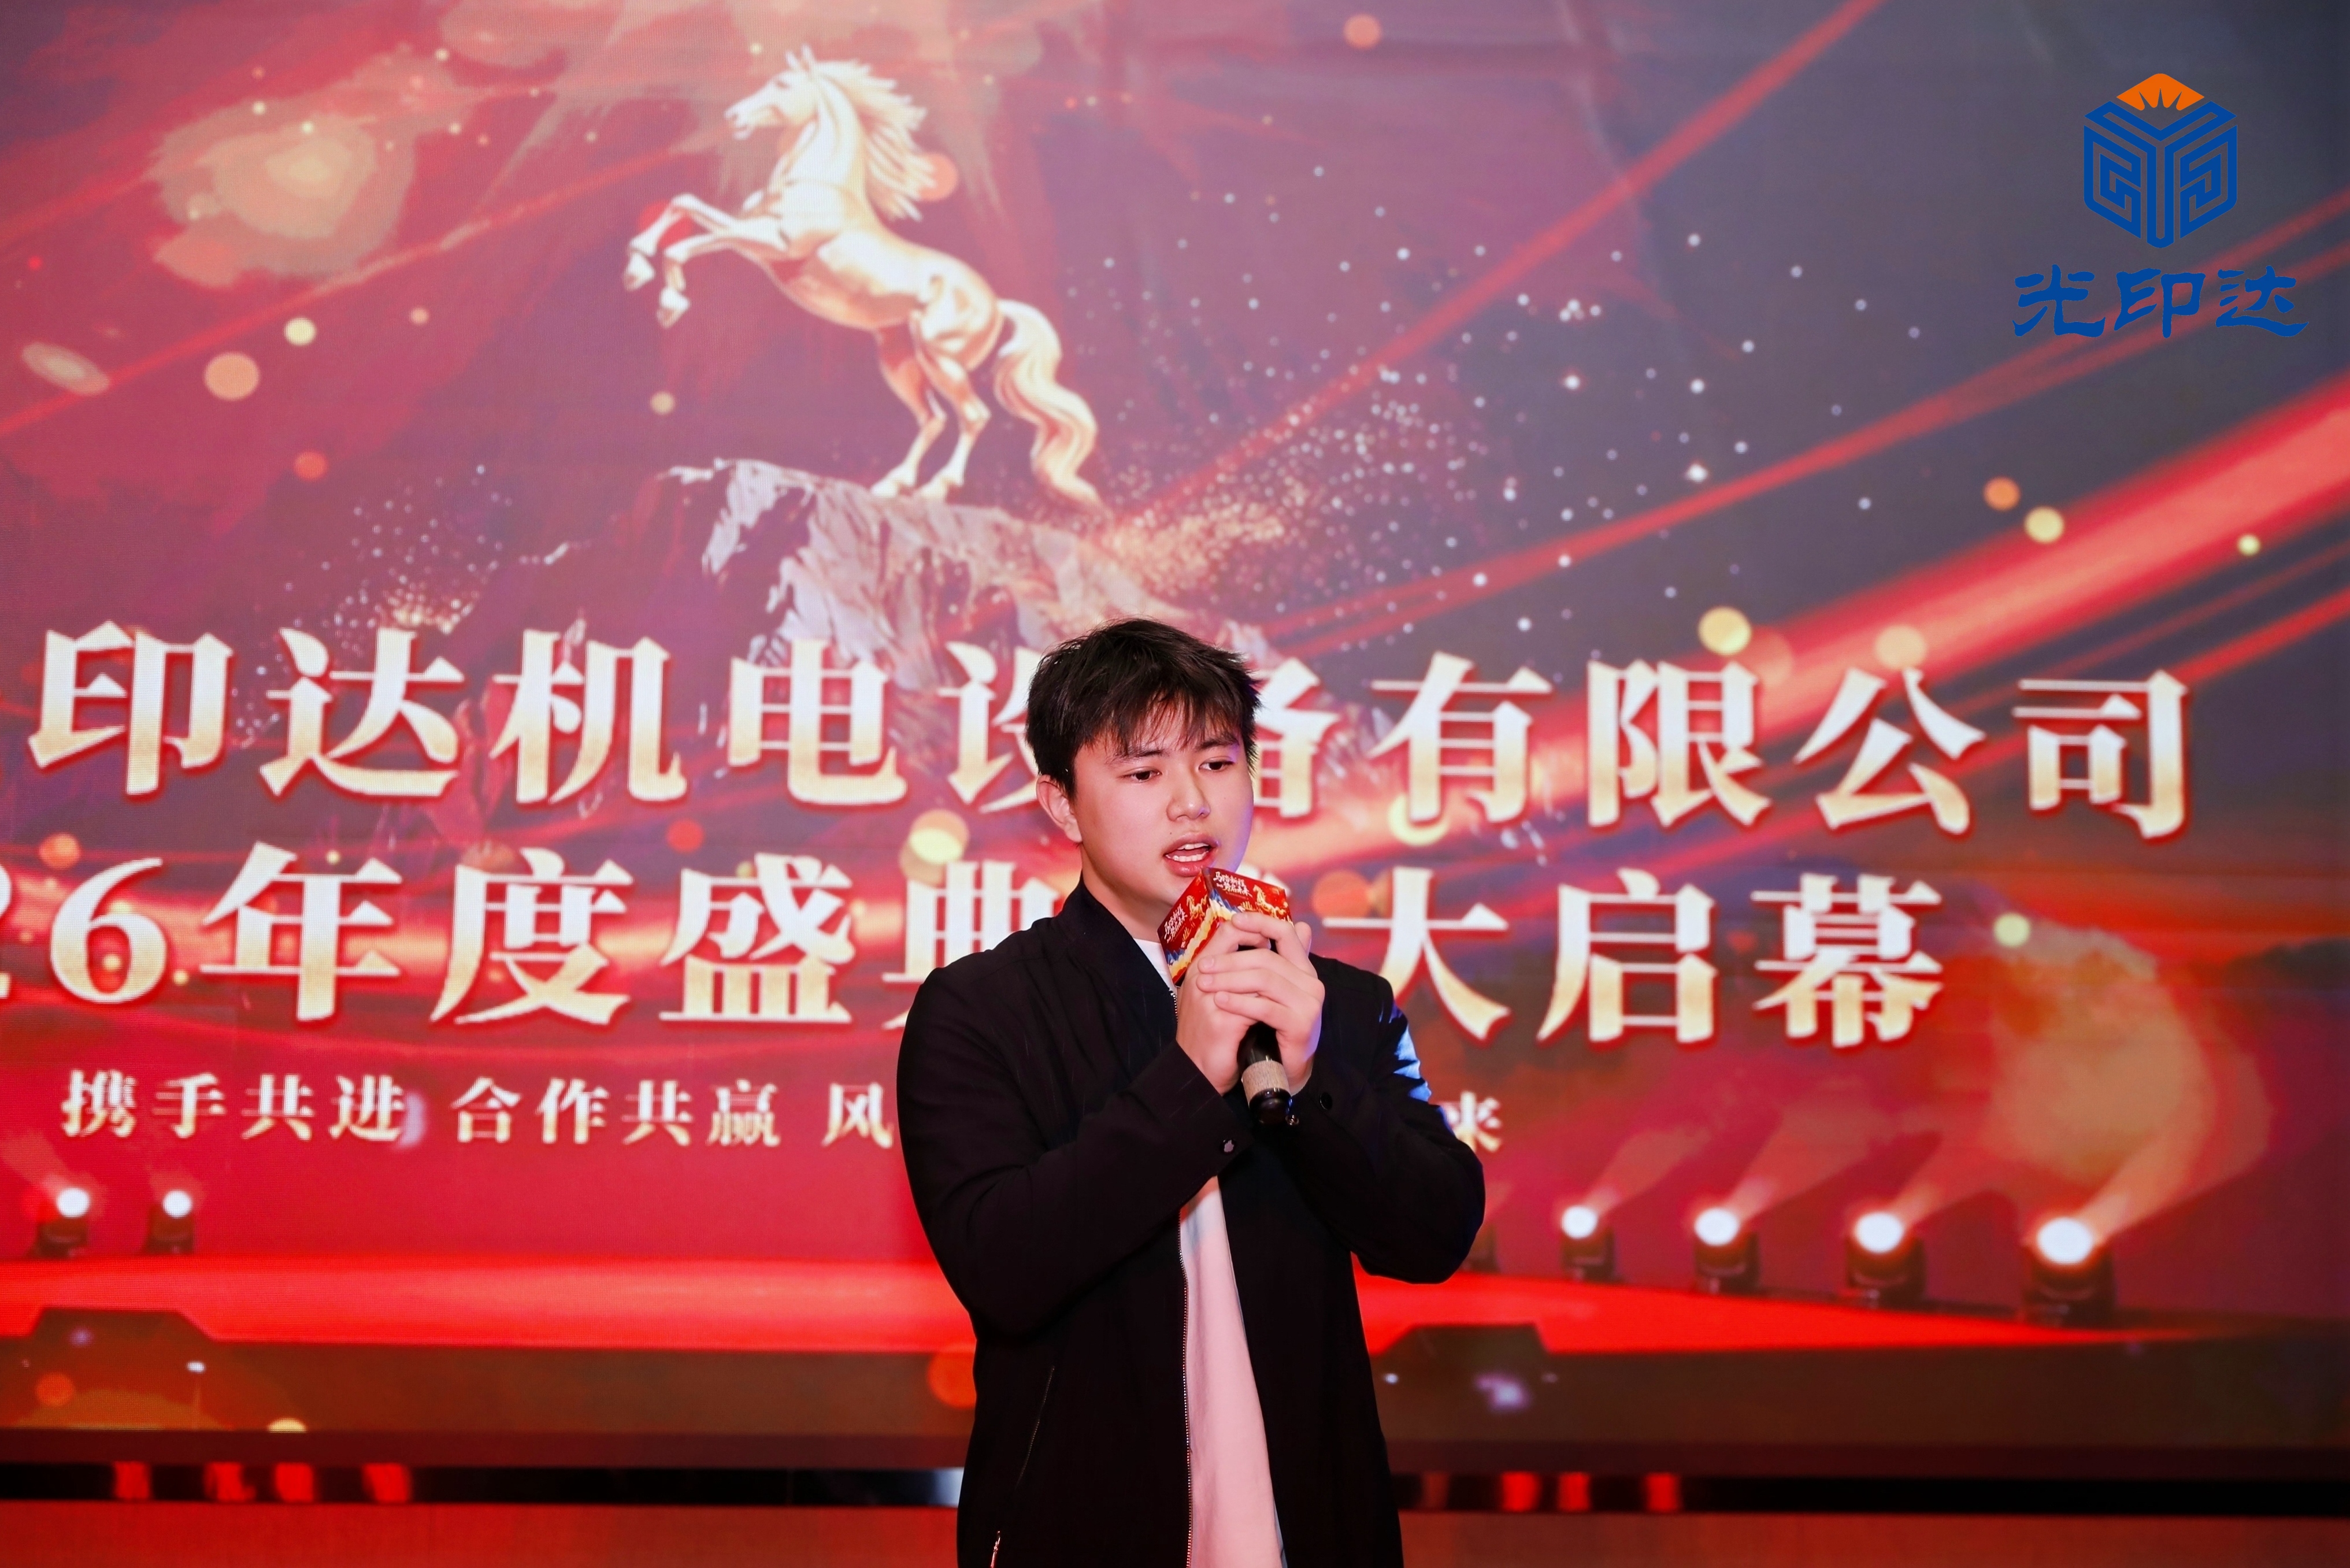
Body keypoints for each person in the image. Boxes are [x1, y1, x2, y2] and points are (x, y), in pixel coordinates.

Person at [898, 617, 1485, 1568]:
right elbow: (1003, 1266)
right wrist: (1188, 1076)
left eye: (1216, 762)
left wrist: (1310, 1076)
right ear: (1060, 803)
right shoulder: (982, 1009)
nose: (1192, 803)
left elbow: (1434, 1232)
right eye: (1143, 773)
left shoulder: (1334, 1002)